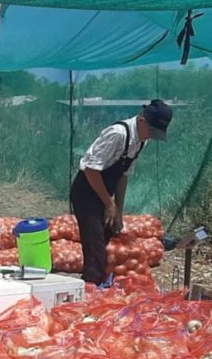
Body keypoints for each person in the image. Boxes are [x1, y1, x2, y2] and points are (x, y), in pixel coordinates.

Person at [70, 98, 172, 285]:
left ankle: (106, 287)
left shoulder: (140, 142)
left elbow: (122, 176)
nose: (150, 136)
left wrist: (118, 211)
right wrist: (109, 204)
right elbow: (90, 169)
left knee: (111, 238)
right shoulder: (117, 134)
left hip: (105, 193)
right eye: (151, 131)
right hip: (86, 192)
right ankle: (88, 293)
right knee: (96, 249)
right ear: (142, 120)